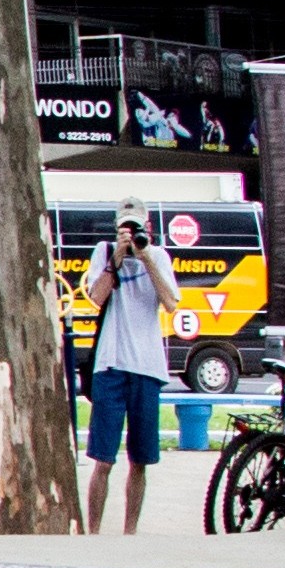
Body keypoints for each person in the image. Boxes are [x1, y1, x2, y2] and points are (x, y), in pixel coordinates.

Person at [79, 210, 187, 533]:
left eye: (136, 228)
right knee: (104, 458)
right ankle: (94, 532)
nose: (131, 234)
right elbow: (96, 297)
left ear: (148, 227)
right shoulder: (104, 252)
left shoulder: (159, 256)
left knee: (139, 459)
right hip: (111, 364)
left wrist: (145, 257)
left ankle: (130, 533)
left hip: (147, 367)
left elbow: (171, 302)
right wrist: (118, 255)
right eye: (124, 228)